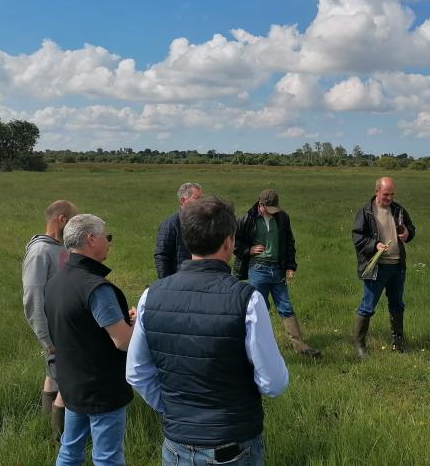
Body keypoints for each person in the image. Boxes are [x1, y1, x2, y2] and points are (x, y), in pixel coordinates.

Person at [127, 196, 288, 465]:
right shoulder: (247, 299)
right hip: (234, 443)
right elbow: (273, 382)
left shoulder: (149, 296)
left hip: (176, 443)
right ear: (229, 242)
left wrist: (172, 408)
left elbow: (136, 372)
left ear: (188, 240)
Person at [45, 214, 135, 466]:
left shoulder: (56, 282)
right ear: (91, 239)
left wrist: (118, 320)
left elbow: (79, 327)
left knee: (70, 450)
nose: (109, 242)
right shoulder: (97, 288)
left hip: (72, 383)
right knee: (107, 457)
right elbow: (124, 342)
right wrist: (137, 326)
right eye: (107, 237)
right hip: (102, 389)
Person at [233, 189, 321, 358]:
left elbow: (289, 242)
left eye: (275, 208)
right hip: (258, 269)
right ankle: (256, 348)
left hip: (278, 270)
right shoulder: (246, 219)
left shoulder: (283, 218)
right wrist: (249, 249)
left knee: (286, 307)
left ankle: (300, 348)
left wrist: (290, 266)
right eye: (269, 209)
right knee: (259, 309)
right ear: (260, 205)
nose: (273, 212)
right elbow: (235, 242)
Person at [21, 199, 78, 441]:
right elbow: (32, 297)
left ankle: (47, 428)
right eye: (73, 219)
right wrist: (46, 338)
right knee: (65, 379)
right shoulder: (40, 252)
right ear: (62, 219)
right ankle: (60, 439)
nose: (76, 224)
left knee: (53, 374)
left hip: (64, 326)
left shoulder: (59, 247)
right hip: (54, 330)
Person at [351, 176, 416, 357]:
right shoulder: (366, 211)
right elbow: (357, 237)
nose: (390, 198)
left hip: (397, 266)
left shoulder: (398, 209)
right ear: (377, 191)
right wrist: (375, 245)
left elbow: (411, 228)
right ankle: (359, 345)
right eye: (386, 194)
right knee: (367, 306)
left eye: (392, 194)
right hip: (376, 268)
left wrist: (407, 233)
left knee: (397, 305)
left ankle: (398, 343)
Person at [154, 182, 203, 278]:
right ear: (183, 200)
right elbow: (162, 256)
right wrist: (166, 283)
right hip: (178, 279)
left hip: (199, 277)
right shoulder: (170, 224)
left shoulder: (203, 223)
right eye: (196, 198)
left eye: (201, 198)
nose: (201, 202)